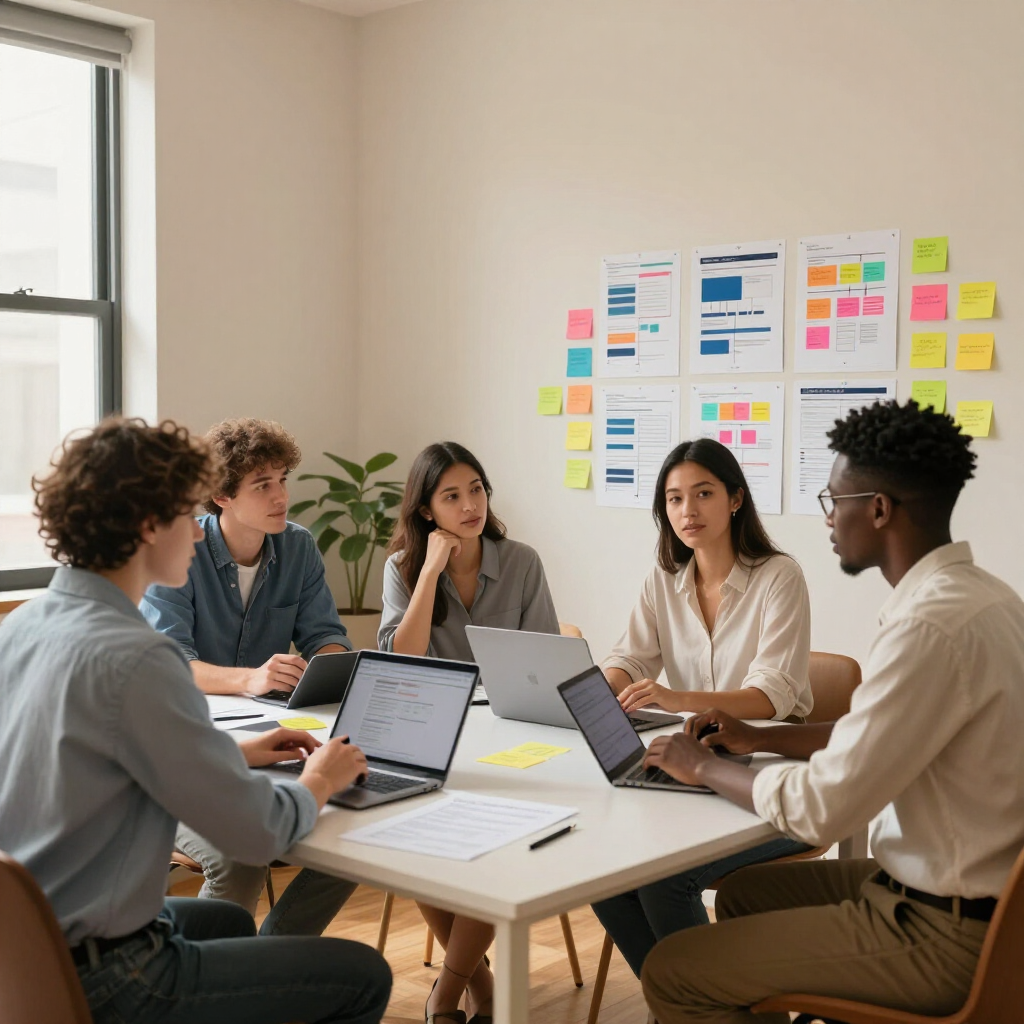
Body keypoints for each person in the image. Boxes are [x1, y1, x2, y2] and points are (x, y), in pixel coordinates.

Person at [639, 400, 1024, 1024]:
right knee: (742, 895)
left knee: (672, 970)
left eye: (832, 501)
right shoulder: (985, 598)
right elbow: (874, 732)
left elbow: (824, 808)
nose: (827, 521)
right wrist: (753, 736)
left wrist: (703, 767)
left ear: (877, 509)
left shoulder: (928, 627)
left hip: (943, 930)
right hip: (971, 900)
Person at [0, 418, 390, 1024]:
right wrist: (323, 780)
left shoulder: (22, 627)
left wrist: (235, 752)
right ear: (149, 525)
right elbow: (259, 832)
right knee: (364, 976)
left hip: (28, 949)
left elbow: (95, 750)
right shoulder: (141, 658)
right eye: (188, 512)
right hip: (115, 975)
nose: (198, 530)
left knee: (228, 921)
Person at [591, 438, 813, 977]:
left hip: (775, 778)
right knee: (604, 871)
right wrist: (600, 687)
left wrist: (674, 698)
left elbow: (771, 697)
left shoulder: (780, 577)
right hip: (695, 774)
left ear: (735, 498)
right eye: (673, 499)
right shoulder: (662, 581)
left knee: (666, 878)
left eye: (703, 493)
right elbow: (630, 657)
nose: (686, 511)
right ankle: (682, 1002)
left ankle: (708, 1004)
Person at [141, 417, 357, 937]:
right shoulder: (180, 549)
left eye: (283, 479)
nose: (281, 496)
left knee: (353, 831)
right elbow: (172, 664)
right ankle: (225, 977)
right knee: (243, 856)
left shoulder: (298, 547)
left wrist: (328, 664)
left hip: (263, 739)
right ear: (221, 495)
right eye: (263, 485)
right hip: (193, 743)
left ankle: (268, 957)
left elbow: (326, 634)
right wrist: (250, 679)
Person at [380, 441, 560, 1024]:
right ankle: (479, 982)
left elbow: (550, 662)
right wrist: (428, 571)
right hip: (434, 735)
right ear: (427, 509)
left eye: (477, 490)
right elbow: (399, 659)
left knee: (499, 841)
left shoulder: (522, 561)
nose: (469, 505)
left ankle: (448, 988)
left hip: (511, 735)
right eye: (452, 495)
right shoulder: (402, 567)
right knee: (407, 835)